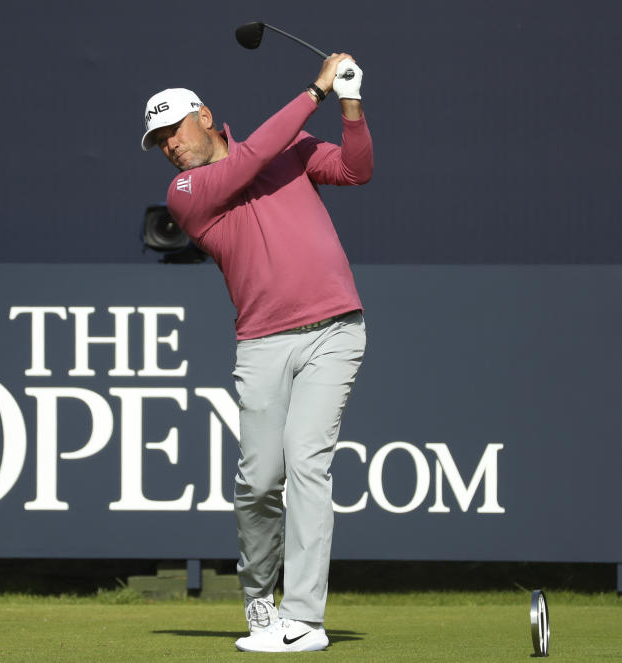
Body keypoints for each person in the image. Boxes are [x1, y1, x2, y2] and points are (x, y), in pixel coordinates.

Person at [141, 53, 372, 653]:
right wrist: (315, 90)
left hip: (334, 330)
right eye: (159, 140)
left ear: (205, 117)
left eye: (175, 130)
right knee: (259, 480)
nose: (170, 145)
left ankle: (305, 618)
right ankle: (259, 596)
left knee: (308, 466)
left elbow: (354, 170)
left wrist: (350, 103)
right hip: (263, 342)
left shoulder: (285, 146)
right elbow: (248, 161)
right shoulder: (186, 192)